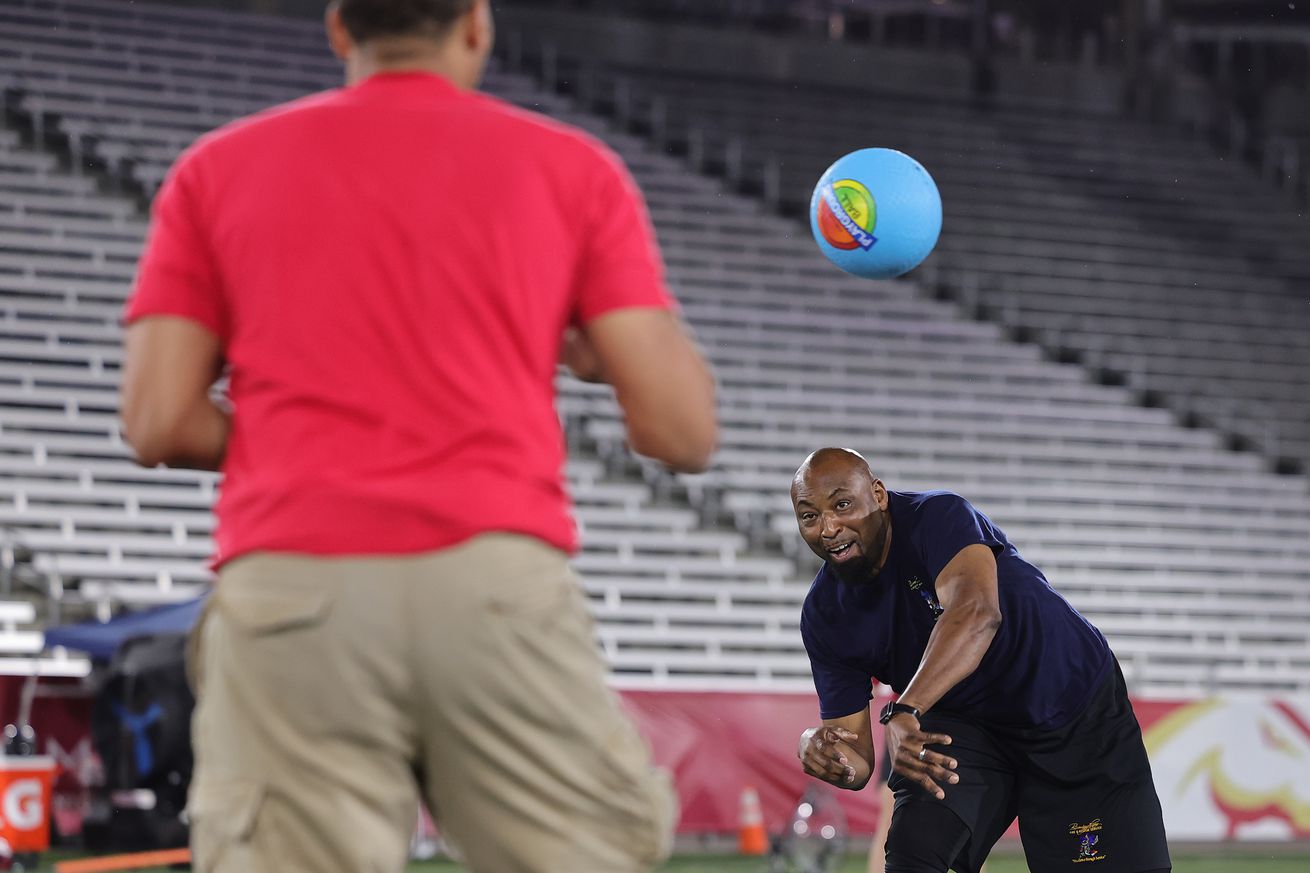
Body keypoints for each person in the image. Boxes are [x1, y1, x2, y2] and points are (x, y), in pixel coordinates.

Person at [119, 1, 717, 871]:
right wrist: (589, 363)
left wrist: (308, 445)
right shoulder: (571, 169)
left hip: (293, 587)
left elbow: (158, 418)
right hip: (494, 584)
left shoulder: (216, 170)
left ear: (339, 28)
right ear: (476, 24)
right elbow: (682, 429)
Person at [791, 448, 1170, 873]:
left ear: (878, 494)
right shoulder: (825, 613)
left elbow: (977, 613)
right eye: (809, 516)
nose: (828, 527)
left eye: (842, 504)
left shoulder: (937, 515)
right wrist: (819, 748)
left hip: (1068, 707)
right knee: (913, 849)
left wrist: (906, 708)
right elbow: (857, 761)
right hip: (963, 723)